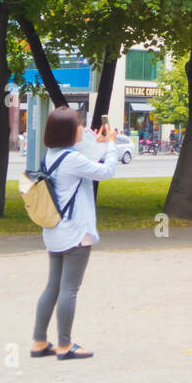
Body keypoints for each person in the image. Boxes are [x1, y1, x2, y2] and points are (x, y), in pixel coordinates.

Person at [31, 107, 119, 361]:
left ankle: (39, 341)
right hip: (76, 233)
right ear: (69, 131)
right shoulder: (72, 159)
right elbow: (106, 172)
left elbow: (86, 158)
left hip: (55, 232)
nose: (83, 129)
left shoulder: (53, 155)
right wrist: (112, 145)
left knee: (53, 287)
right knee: (69, 290)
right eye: (79, 126)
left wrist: (99, 142)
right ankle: (64, 345)